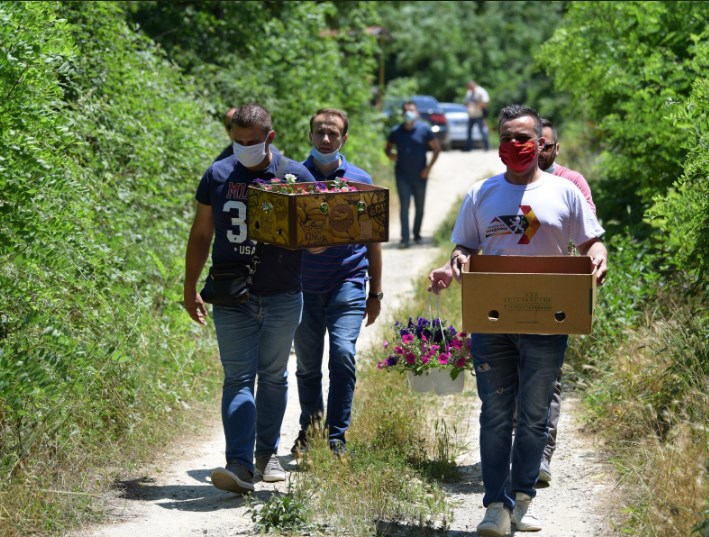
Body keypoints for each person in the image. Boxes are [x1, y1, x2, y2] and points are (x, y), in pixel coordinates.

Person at [428, 104, 607, 535]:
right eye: (508, 137)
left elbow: (592, 241)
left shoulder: (565, 192)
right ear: (499, 143)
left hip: (548, 323)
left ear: (541, 143)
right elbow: (464, 248)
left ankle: (521, 498)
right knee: (494, 412)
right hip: (492, 320)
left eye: (526, 137)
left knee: (533, 414)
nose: (518, 145)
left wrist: (598, 260)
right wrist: (453, 265)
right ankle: (495, 506)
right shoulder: (481, 193)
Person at [183, 103, 315, 495]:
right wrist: (189, 289)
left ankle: (266, 454)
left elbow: (316, 232)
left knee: (273, 376)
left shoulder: (295, 174)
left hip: (282, 293)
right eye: (237, 141)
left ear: (269, 137)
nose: (244, 147)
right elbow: (201, 234)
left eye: (252, 142)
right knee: (238, 377)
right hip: (231, 295)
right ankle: (238, 462)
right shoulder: (218, 175)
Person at [291, 108, 383, 456]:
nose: (325, 139)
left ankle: (335, 438)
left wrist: (375, 292)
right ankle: (310, 430)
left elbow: (374, 239)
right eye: (319, 132)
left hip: (348, 281)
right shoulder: (293, 178)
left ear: (344, 138)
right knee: (307, 365)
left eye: (333, 133)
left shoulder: (360, 180)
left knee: (343, 355)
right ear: (310, 136)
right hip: (302, 288)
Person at [534, 117, 597, 484]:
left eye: (545, 144)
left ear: (556, 148)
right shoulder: (510, 184)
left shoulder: (571, 184)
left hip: (559, 290)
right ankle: (519, 446)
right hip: (514, 292)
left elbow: (589, 232)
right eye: (532, 143)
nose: (538, 150)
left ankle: (542, 454)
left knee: (549, 376)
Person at [385, 100, 441, 249]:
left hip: (420, 174)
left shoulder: (425, 130)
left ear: (416, 113)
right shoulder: (396, 131)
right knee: (404, 206)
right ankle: (405, 239)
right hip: (402, 174)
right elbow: (387, 148)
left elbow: (436, 149)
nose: (409, 113)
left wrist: (428, 168)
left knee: (420, 207)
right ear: (403, 113)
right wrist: (390, 154)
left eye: (412, 110)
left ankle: (416, 234)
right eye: (406, 111)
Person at [463, 80, 490, 151]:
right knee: (469, 131)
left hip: (479, 114)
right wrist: (468, 104)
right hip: (471, 115)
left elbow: (485, 103)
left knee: (482, 131)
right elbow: (465, 102)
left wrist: (475, 105)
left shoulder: (481, 91)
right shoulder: (468, 93)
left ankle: (486, 147)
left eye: (470, 87)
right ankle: (468, 148)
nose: (469, 88)